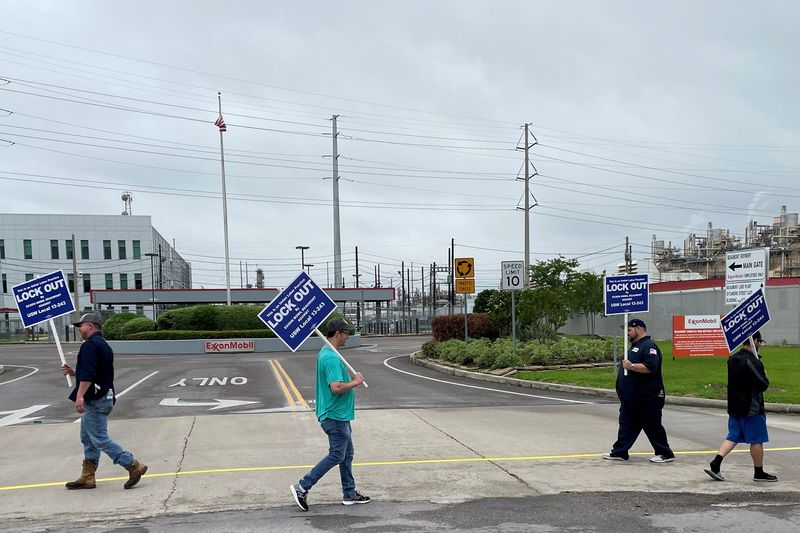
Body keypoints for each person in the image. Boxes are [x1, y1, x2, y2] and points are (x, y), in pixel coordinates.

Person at [60, 313, 147, 490]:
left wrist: (80, 396)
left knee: (99, 438)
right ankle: (87, 477)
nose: (80, 329)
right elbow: (97, 372)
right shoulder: (103, 345)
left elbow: (89, 374)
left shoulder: (90, 346)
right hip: (104, 395)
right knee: (88, 437)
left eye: (81, 326)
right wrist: (74, 372)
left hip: (95, 399)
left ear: (90, 326)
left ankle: (133, 465)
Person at [290, 317, 370, 511]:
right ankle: (302, 486)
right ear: (338, 333)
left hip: (339, 415)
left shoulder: (327, 352)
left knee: (346, 454)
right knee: (337, 455)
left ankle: (349, 494)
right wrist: (355, 382)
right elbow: (336, 387)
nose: (348, 336)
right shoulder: (332, 357)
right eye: (347, 332)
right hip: (334, 415)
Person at [704, 331, 777, 482]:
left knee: (733, 436)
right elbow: (762, 385)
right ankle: (759, 472)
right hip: (752, 408)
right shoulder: (753, 362)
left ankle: (716, 462)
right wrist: (765, 375)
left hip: (735, 406)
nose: (760, 345)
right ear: (755, 341)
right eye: (759, 342)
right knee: (756, 440)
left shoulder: (733, 359)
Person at [602, 318, 676, 463]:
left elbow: (650, 367)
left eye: (629, 330)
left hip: (647, 397)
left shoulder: (648, 346)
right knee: (627, 424)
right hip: (632, 397)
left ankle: (665, 453)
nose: (627, 334)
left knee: (652, 425)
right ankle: (620, 452)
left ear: (639, 329)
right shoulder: (635, 346)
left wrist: (632, 367)